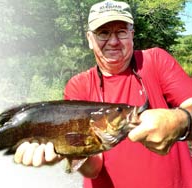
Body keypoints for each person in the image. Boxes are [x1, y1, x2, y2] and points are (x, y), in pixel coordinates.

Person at [14, 0, 192, 187]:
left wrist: (181, 120)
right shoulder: (79, 85)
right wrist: (65, 150)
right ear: (90, 39)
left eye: (121, 32)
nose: (113, 41)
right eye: (103, 33)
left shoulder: (154, 60)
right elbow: (93, 168)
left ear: (132, 35)